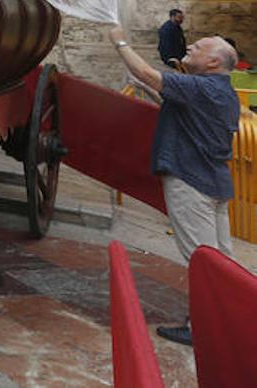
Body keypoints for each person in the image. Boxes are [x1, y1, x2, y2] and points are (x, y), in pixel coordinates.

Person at [108, 24, 240, 346]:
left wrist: (120, 40)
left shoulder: (201, 88)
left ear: (214, 62)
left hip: (191, 182)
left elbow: (147, 72)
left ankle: (202, 329)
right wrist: (150, 89)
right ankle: (230, 320)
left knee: (202, 261)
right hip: (215, 184)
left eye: (201, 45)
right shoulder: (223, 91)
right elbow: (176, 101)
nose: (192, 44)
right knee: (221, 260)